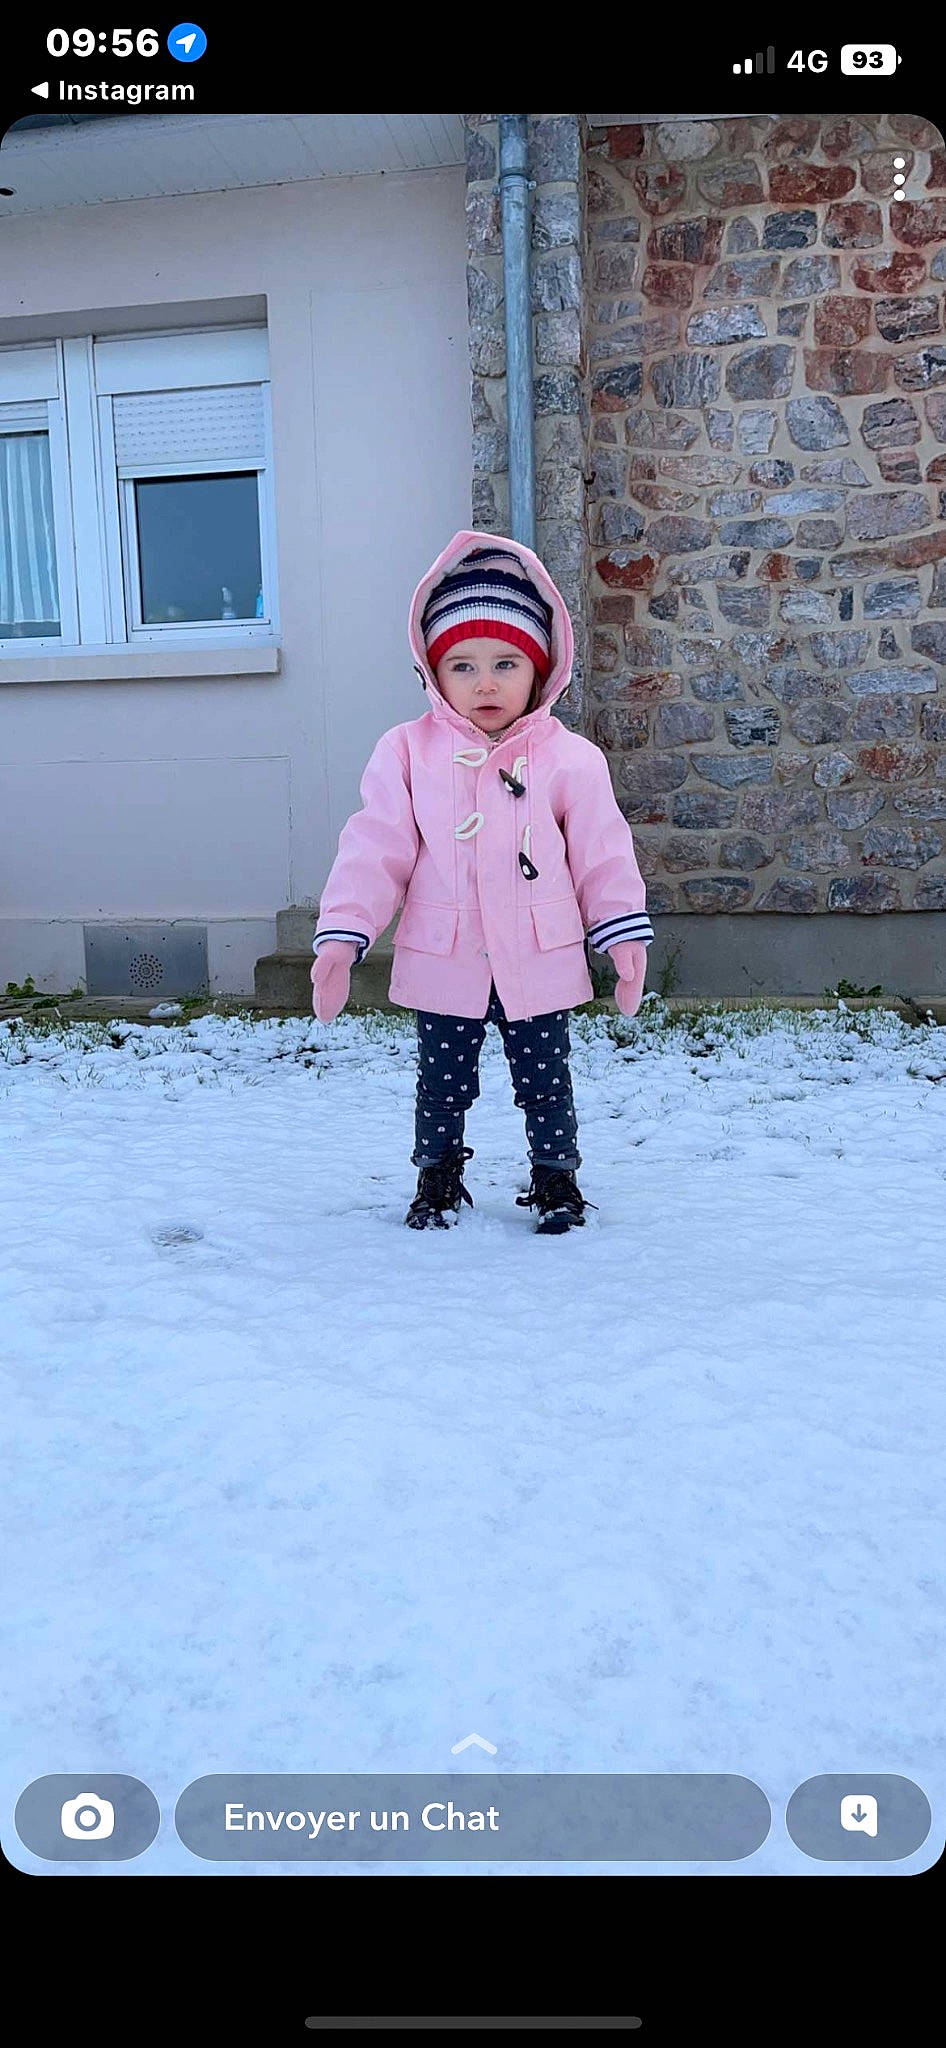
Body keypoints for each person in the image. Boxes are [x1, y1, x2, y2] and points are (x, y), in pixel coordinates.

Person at [311, 530, 654, 1234]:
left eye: (506, 663)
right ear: (434, 672)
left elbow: (602, 854)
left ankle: (556, 1179)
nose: (485, 683)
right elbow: (375, 847)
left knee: (546, 1078)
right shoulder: (408, 752)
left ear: (541, 668)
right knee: (441, 1083)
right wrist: (344, 935)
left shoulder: (570, 759)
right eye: (462, 666)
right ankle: (437, 1178)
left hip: (538, 953)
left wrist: (620, 935)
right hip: (448, 956)